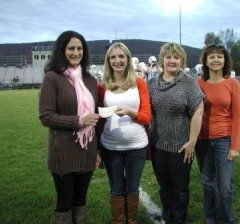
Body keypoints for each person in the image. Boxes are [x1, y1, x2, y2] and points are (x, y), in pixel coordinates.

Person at [39, 30, 101, 224]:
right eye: (71, 48)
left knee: (81, 200)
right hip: (63, 151)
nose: (76, 52)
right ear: (62, 50)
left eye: (80, 48)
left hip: (87, 149)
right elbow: (46, 116)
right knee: (65, 201)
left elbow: (95, 117)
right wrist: (79, 121)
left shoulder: (90, 80)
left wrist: (97, 150)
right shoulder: (52, 78)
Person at [147, 42, 205, 223]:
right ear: (162, 60)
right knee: (164, 187)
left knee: (180, 188)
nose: (172, 60)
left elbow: (198, 112)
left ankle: (179, 219)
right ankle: (167, 215)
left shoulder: (189, 83)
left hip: (181, 145)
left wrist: (192, 142)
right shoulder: (151, 84)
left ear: (182, 61)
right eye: (168, 56)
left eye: (176, 57)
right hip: (157, 144)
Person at [97, 42, 151, 224]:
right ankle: (119, 221)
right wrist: (97, 149)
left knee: (133, 188)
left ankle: (132, 220)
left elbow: (147, 117)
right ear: (108, 60)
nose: (117, 61)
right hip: (110, 146)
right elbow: (100, 118)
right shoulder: (103, 85)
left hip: (137, 146)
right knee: (117, 189)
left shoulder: (139, 83)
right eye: (113, 57)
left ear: (128, 59)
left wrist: (130, 112)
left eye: (121, 56)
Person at [196, 45, 240, 224]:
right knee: (208, 183)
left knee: (224, 187)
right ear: (205, 61)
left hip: (224, 140)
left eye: (219, 57)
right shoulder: (198, 83)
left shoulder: (232, 83)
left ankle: (225, 220)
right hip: (203, 141)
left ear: (225, 60)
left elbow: (237, 116)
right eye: (211, 57)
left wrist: (235, 146)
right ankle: (210, 219)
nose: (216, 60)